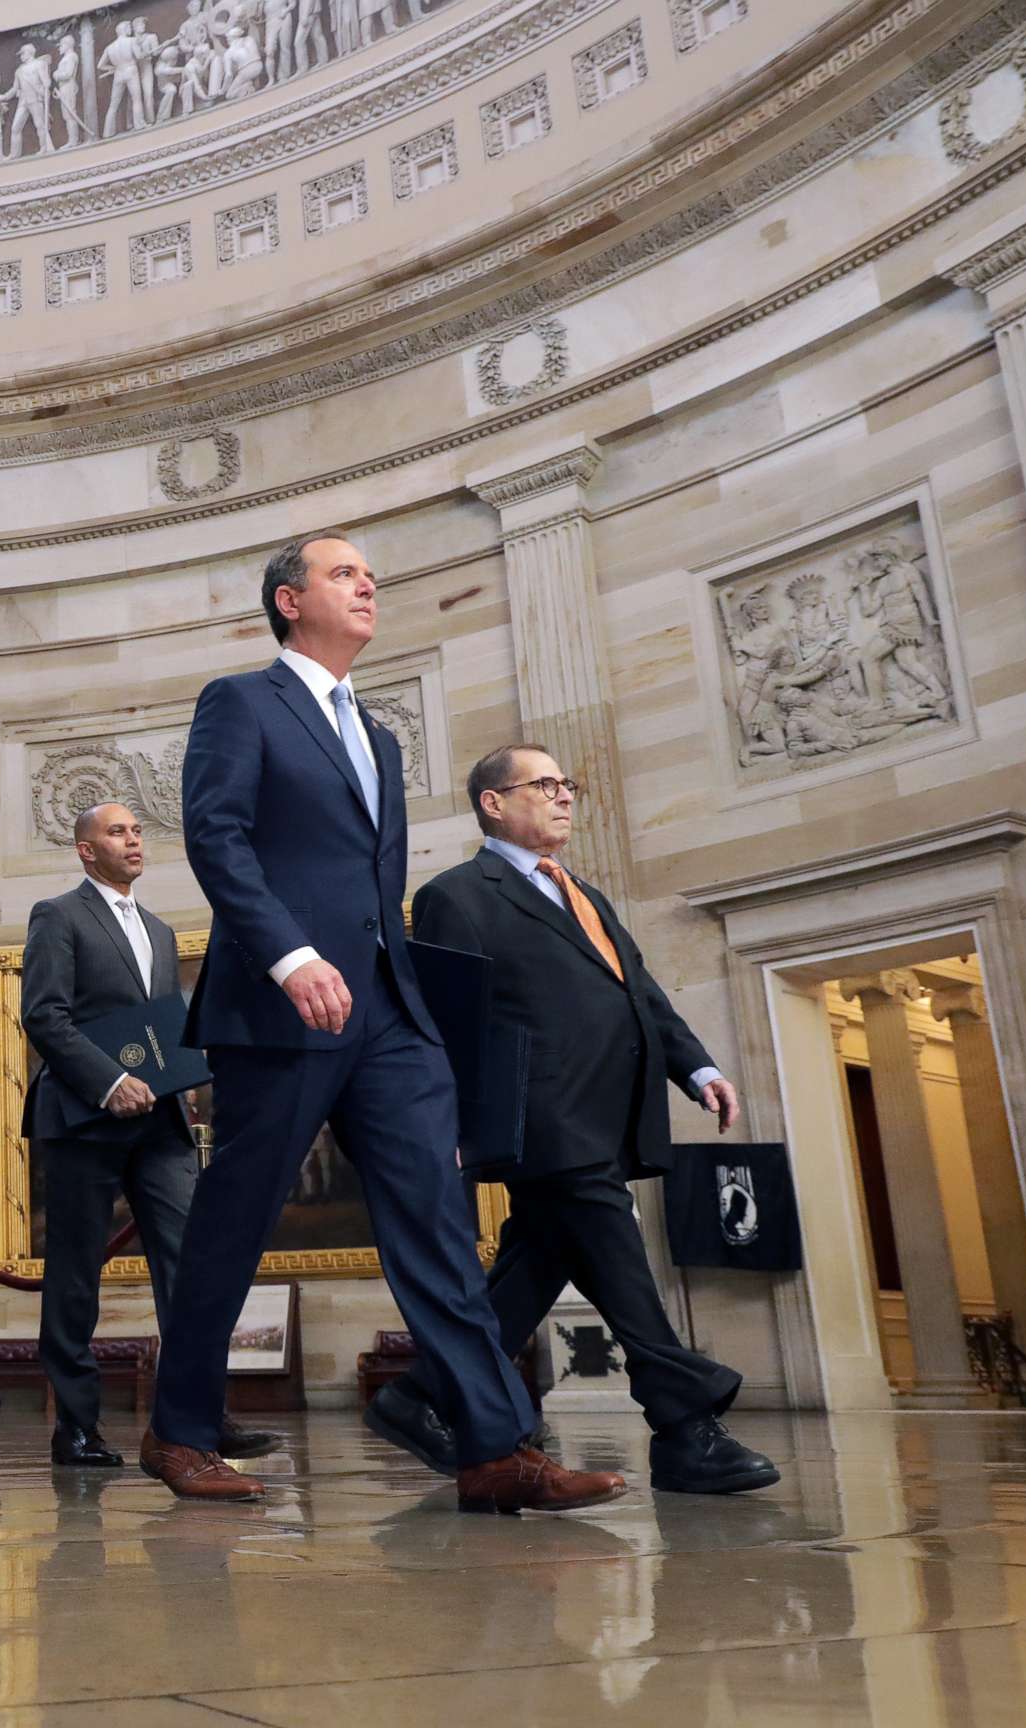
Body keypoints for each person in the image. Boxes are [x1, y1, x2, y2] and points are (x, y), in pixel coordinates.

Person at [140, 534, 628, 1513]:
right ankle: (180, 1429)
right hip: (283, 1000)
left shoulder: (382, 734)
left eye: (374, 571)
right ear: (289, 600)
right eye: (343, 573)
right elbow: (217, 836)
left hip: (388, 1009)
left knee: (438, 1224)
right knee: (235, 1222)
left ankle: (494, 1448)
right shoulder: (242, 702)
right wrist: (289, 955)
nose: (368, 583)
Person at [402, 746, 780, 1496]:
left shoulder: (586, 893)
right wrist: (448, 1122)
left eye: (565, 784)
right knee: (616, 1256)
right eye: (541, 785)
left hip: (609, 1110)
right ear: (492, 804)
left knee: (537, 1262)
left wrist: (696, 1067)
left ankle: (420, 1397)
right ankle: (684, 1426)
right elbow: (448, 1021)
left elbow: (637, 990)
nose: (563, 796)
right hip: (540, 1116)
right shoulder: (456, 895)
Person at [21, 802, 277, 1469]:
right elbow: (44, 1017)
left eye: (136, 831)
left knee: (193, 1264)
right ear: (85, 849)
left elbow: (159, 1028)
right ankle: (76, 1428)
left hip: (160, 1122)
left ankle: (197, 1417)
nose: (132, 840)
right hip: (82, 1120)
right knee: (75, 1277)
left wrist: (181, 1076)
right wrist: (109, 1082)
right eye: (116, 832)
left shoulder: (162, 932)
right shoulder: (58, 915)